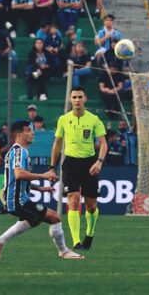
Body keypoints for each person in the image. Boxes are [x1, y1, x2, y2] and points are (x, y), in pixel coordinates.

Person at [0, 121, 83, 260]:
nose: (32, 133)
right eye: (28, 130)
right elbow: (19, 174)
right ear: (19, 134)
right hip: (17, 201)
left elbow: (13, 179)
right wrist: (44, 176)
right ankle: (64, 251)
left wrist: (39, 188)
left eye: (32, 130)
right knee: (55, 218)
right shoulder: (18, 152)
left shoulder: (19, 151)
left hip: (18, 199)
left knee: (35, 220)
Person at [49, 87, 107, 250]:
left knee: (91, 206)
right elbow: (57, 144)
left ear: (85, 99)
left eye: (80, 97)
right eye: (74, 97)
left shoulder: (94, 119)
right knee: (73, 200)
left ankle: (89, 233)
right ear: (70, 99)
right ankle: (75, 241)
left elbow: (103, 144)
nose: (77, 100)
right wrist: (52, 166)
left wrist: (99, 162)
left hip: (89, 164)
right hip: (70, 164)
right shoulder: (63, 119)